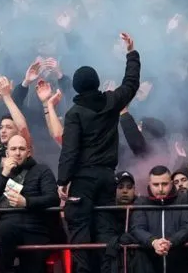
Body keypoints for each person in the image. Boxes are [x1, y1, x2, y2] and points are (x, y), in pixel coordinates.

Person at [57, 32, 139, 273]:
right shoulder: (112, 101)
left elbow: (69, 149)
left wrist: (63, 180)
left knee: (80, 231)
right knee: (106, 230)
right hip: (106, 176)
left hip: (83, 179)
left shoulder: (74, 113)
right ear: (96, 81)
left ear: (76, 86)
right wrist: (131, 54)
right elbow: (131, 83)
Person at [0, 134, 58, 273]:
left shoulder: (42, 170)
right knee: (4, 231)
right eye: (13, 149)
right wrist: (4, 174)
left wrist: (26, 202)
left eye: (21, 149)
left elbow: (53, 198)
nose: (17, 153)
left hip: (36, 226)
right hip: (8, 225)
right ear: (7, 152)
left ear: (28, 152)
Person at [129, 165, 188, 273]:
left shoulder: (183, 200)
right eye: (156, 184)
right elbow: (137, 228)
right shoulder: (141, 202)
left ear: (171, 184)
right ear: (149, 185)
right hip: (150, 265)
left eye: (164, 184)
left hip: (181, 264)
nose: (160, 189)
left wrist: (171, 242)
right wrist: (153, 242)